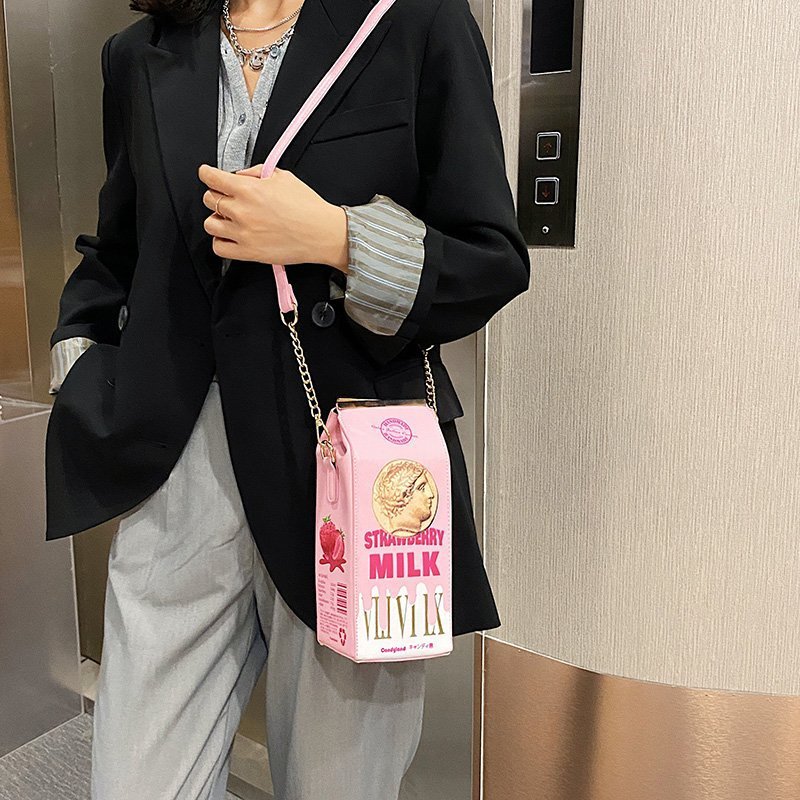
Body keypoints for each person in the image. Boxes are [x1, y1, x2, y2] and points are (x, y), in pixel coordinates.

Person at [44, 0, 531, 797]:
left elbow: (491, 260)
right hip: (177, 474)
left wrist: (336, 238)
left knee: (341, 785)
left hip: (346, 476)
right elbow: (120, 251)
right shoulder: (141, 53)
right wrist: (83, 364)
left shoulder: (414, 21)